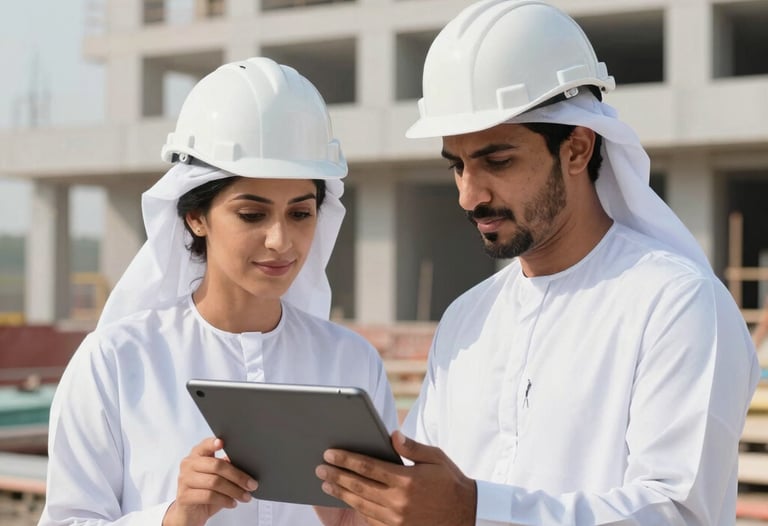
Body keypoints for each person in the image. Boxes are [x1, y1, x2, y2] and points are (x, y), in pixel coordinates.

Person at [314, 1, 761, 524]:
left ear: (576, 148)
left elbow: (680, 512)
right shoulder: (466, 319)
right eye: (457, 165)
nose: (469, 195)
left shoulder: (676, 304)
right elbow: (428, 498)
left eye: (497, 161)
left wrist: (475, 510)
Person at [38, 57, 397, 526]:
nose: (280, 241)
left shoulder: (351, 362)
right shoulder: (117, 360)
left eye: (300, 213)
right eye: (252, 214)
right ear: (196, 216)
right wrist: (176, 517)